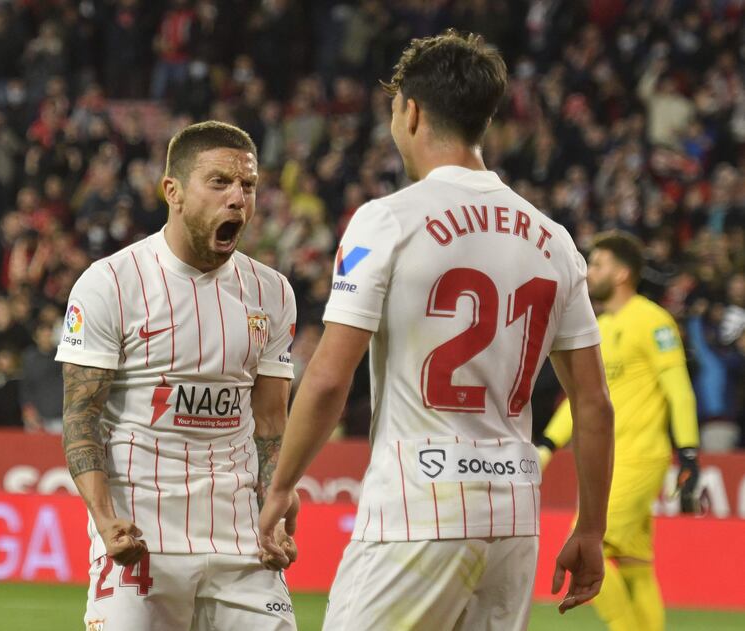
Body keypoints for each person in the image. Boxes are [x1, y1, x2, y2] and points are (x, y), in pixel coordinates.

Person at [259, 30, 614, 631]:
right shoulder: (555, 239)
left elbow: (327, 379)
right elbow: (594, 403)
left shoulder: (388, 220)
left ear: (412, 111)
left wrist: (281, 486)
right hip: (514, 518)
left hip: (416, 509)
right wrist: (592, 526)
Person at [55, 121, 299, 630]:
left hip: (242, 541)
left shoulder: (272, 292)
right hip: (139, 538)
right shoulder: (110, 284)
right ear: (174, 192)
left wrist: (275, 498)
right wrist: (103, 521)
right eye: (219, 182)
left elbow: (271, 420)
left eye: (248, 186)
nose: (238, 199)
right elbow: (81, 415)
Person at [537, 231, 701, 631]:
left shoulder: (653, 320)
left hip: (639, 456)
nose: (589, 272)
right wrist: (546, 444)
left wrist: (690, 452)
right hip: (612, 460)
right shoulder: (602, 327)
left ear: (623, 273)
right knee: (635, 568)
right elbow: (580, 400)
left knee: (585, 550)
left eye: (598, 264)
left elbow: (678, 389)